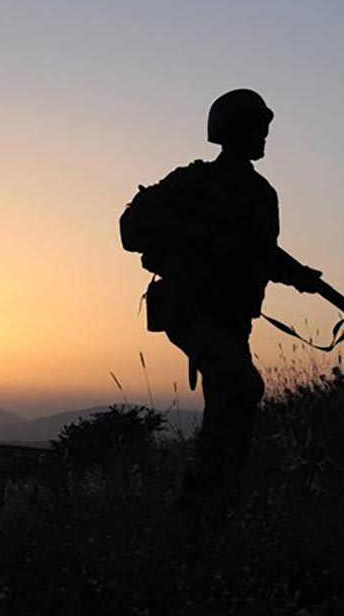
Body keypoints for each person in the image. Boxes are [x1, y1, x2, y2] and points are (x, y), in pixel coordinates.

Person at [120, 88, 323, 521]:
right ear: (231, 131)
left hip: (232, 316)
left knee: (228, 402)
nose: (264, 137)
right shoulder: (192, 182)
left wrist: (301, 277)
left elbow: (264, 253)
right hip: (191, 309)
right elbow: (132, 230)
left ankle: (217, 502)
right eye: (256, 128)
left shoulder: (261, 193)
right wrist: (194, 240)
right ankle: (197, 507)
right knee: (243, 386)